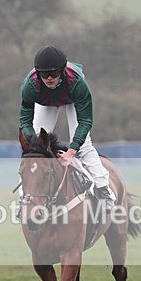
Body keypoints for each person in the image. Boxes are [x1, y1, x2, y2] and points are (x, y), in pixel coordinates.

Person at [19, 45, 115, 209]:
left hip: (71, 99)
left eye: (54, 73)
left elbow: (85, 122)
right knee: (33, 152)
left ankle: (103, 190)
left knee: (84, 146)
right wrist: (32, 144)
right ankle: (24, 198)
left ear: (63, 71)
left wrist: (71, 152)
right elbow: (25, 121)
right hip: (46, 102)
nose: (49, 78)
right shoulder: (30, 86)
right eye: (43, 74)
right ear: (37, 73)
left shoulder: (78, 83)